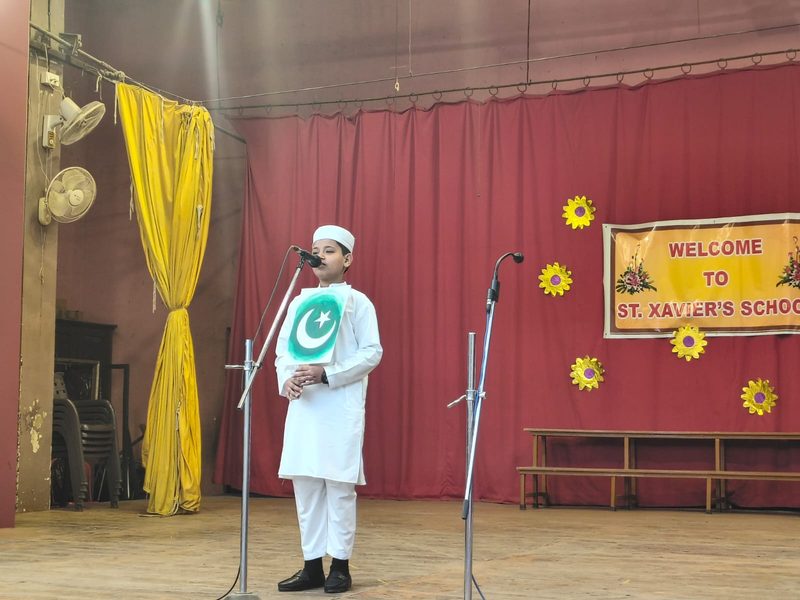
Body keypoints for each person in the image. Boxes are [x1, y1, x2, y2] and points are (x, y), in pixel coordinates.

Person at [274, 225, 383, 594]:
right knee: (306, 487)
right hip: (305, 406)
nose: (320, 255)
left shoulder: (358, 302)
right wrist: (286, 380)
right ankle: (311, 566)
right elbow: (284, 351)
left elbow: (372, 352)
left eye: (330, 250)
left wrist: (328, 374)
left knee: (338, 488)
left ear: (347, 259)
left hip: (339, 405)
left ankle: (340, 565)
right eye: (316, 249)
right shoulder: (298, 303)